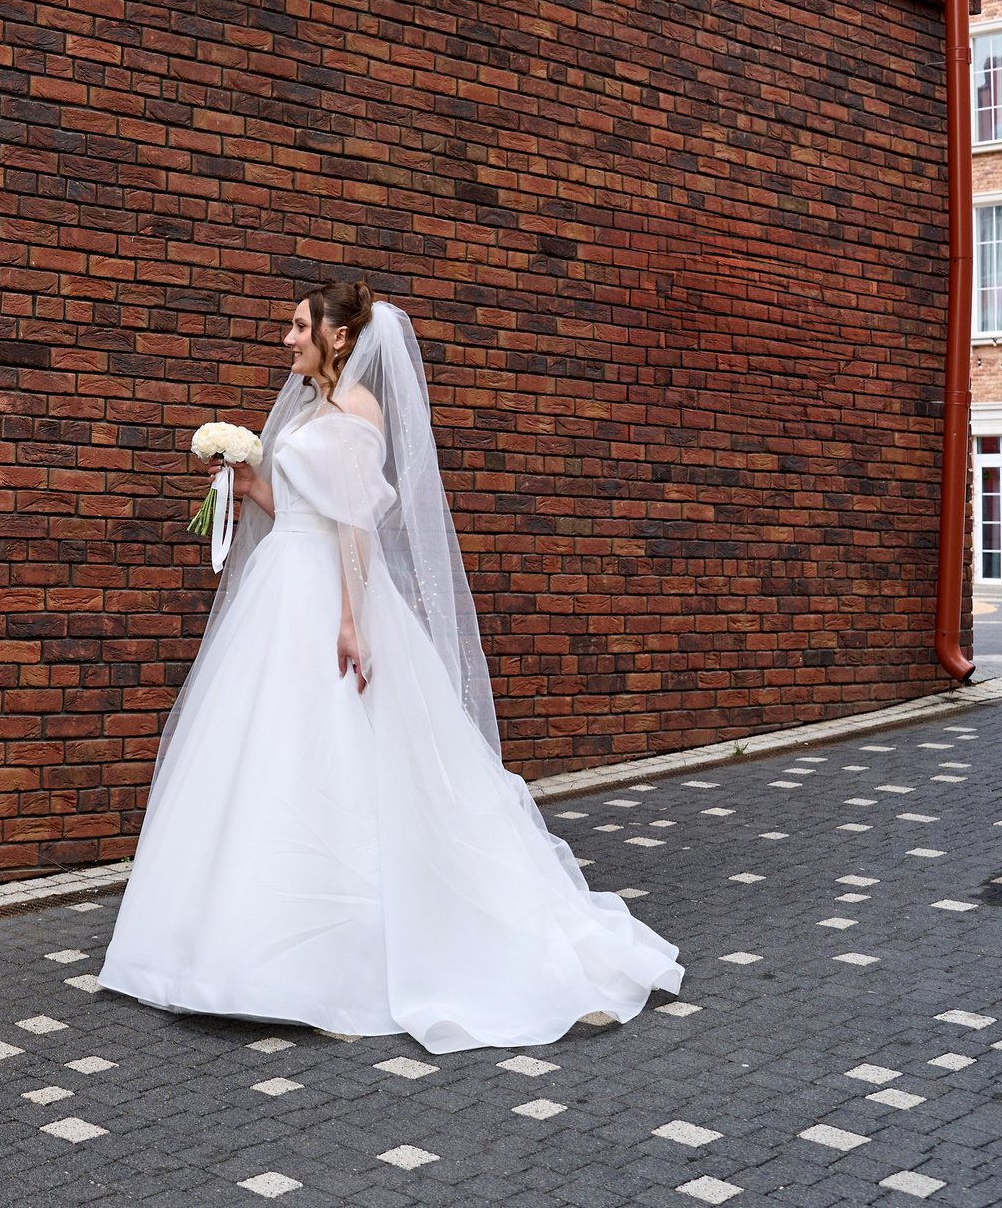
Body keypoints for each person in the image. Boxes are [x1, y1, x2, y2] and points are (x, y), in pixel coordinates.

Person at [99, 285, 683, 1051]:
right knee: (271, 757)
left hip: (328, 601)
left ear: (340, 338)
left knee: (336, 761)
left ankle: (339, 960)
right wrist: (250, 485)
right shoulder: (309, 412)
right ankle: (232, 950)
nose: (287, 338)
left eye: (300, 325)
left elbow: (356, 525)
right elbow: (307, 509)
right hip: (285, 584)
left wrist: (350, 619)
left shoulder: (357, 413)